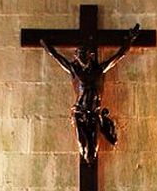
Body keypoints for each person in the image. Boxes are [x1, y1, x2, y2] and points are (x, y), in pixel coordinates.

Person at [40, 24, 140, 164]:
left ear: (90, 55)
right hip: (80, 113)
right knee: (83, 146)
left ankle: (89, 157)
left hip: (94, 114)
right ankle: (85, 153)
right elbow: (56, 56)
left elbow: (119, 55)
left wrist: (130, 39)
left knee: (92, 154)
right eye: (78, 54)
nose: (79, 56)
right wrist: (45, 44)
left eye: (83, 54)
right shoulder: (74, 70)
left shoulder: (99, 70)